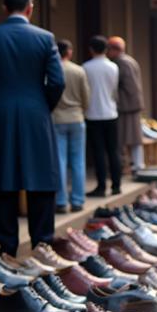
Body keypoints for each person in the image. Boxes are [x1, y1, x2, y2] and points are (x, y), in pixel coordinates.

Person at [0, 0, 64, 255]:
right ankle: (42, 244)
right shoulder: (45, 38)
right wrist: (43, 105)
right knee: (41, 178)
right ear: (30, 8)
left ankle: (7, 247)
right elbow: (57, 81)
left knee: (2, 178)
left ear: (4, 8)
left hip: (0, 114)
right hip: (37, 114)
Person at [82, 35, 122, 197]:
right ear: (106, 49)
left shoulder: (86, 67)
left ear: (91, 49)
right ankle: (116, 185)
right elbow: (114, 90)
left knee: (98, 151)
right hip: (111, 112)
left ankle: (101, 186)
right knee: (113, 150)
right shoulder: (113, 67)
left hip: (92, 113)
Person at [53, 39, 89, 213]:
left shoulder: (51, 69)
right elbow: (86, 96)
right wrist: (83, 111)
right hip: (76, 117)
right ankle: (77, 200)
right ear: (69, 52)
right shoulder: (78, 70)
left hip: (57, 118)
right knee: (78, 161)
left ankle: (60, 201)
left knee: (59, 160)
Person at [107, 36, 144, 176]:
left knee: (124, 138)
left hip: (127, 106)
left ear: (115, 49)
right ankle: (136, 164)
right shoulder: (128, 60)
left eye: (109, 49)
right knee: (133, 138)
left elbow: (129, 86)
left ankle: (132, 165)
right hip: (131, 105)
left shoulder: (121, 62)